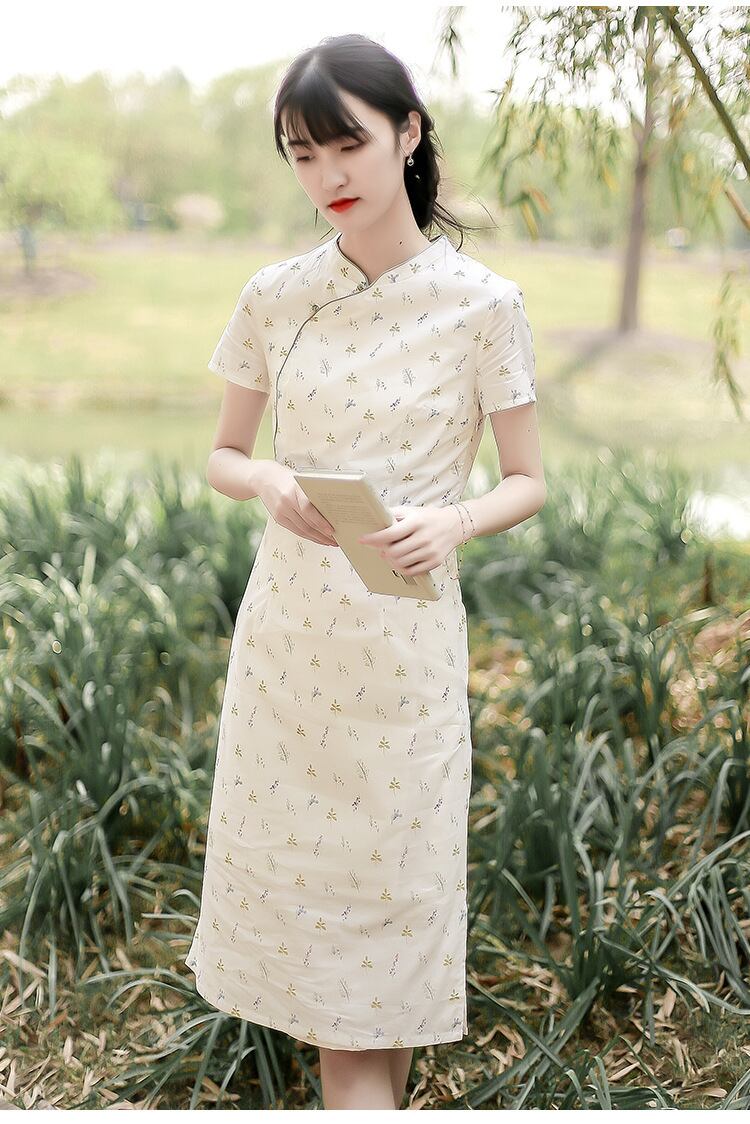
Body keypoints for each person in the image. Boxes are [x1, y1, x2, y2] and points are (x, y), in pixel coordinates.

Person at [184, 33, 546, 1110]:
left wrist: (455, 522)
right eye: (303, 155)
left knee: (388, 942)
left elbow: (528, 480)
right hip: (289, 654)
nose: (327, 175)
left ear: (409, 133)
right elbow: (223, 454)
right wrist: (267, 481)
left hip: (405, 655)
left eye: (347, 144)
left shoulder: (484, 304)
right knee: (332, 978)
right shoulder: (275, 295)